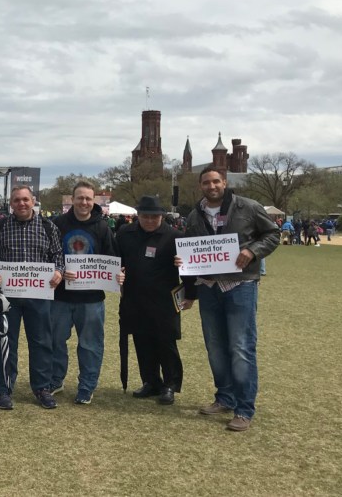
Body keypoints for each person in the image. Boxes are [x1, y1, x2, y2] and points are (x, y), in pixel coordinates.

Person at [178, 166, 279, 431]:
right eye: (206, 183)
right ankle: (225, 397)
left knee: (241, 347)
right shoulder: (194, 215)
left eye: (216, 181)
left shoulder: (249, 207)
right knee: (215, 346)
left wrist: (253, 251)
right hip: (208, 286)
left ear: (224, 182)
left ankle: (244, 409)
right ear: (200, 186)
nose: (211, 186)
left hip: (239, 284)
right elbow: (190, 249)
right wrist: (183, 261)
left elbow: (273, 234)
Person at [0, 185, 64, 410]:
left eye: (25, 199)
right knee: (6, 342)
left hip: (39, 295)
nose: (21, 203)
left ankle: (42, 388)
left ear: (33, 201)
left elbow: (58, 255)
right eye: (17, 200)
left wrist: (58, 271)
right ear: (11, 203)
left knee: (41, 342)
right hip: (7, 297)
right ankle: (4, 390)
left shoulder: (48, 226)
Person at [115, 196, 196, 405]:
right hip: (134, 297)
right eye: (145, 216)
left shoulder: (175, 236)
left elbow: (189, 268)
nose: (150, 220)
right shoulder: (125, 233)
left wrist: (190, 294)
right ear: (138, 215)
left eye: (154, 217)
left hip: (164, 300)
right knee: (142, 342)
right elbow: (116, 260)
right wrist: (116, 273)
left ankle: (170, 385)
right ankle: (151, 381)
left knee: (166, 343)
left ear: (162, 216)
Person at [51, 181, 116, 405]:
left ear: (94, 200)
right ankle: (55, 380)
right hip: (61, 296)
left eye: (88, 198)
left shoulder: (103, 227)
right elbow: (48, 254)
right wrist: (59, 271)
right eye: (80, 198)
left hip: (91, 298)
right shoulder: (58, 224)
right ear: (72, 200)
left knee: (90, 345)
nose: (84, 202)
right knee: (55, 341)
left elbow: (111, 258)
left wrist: (117, 274)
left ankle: (87, 386)